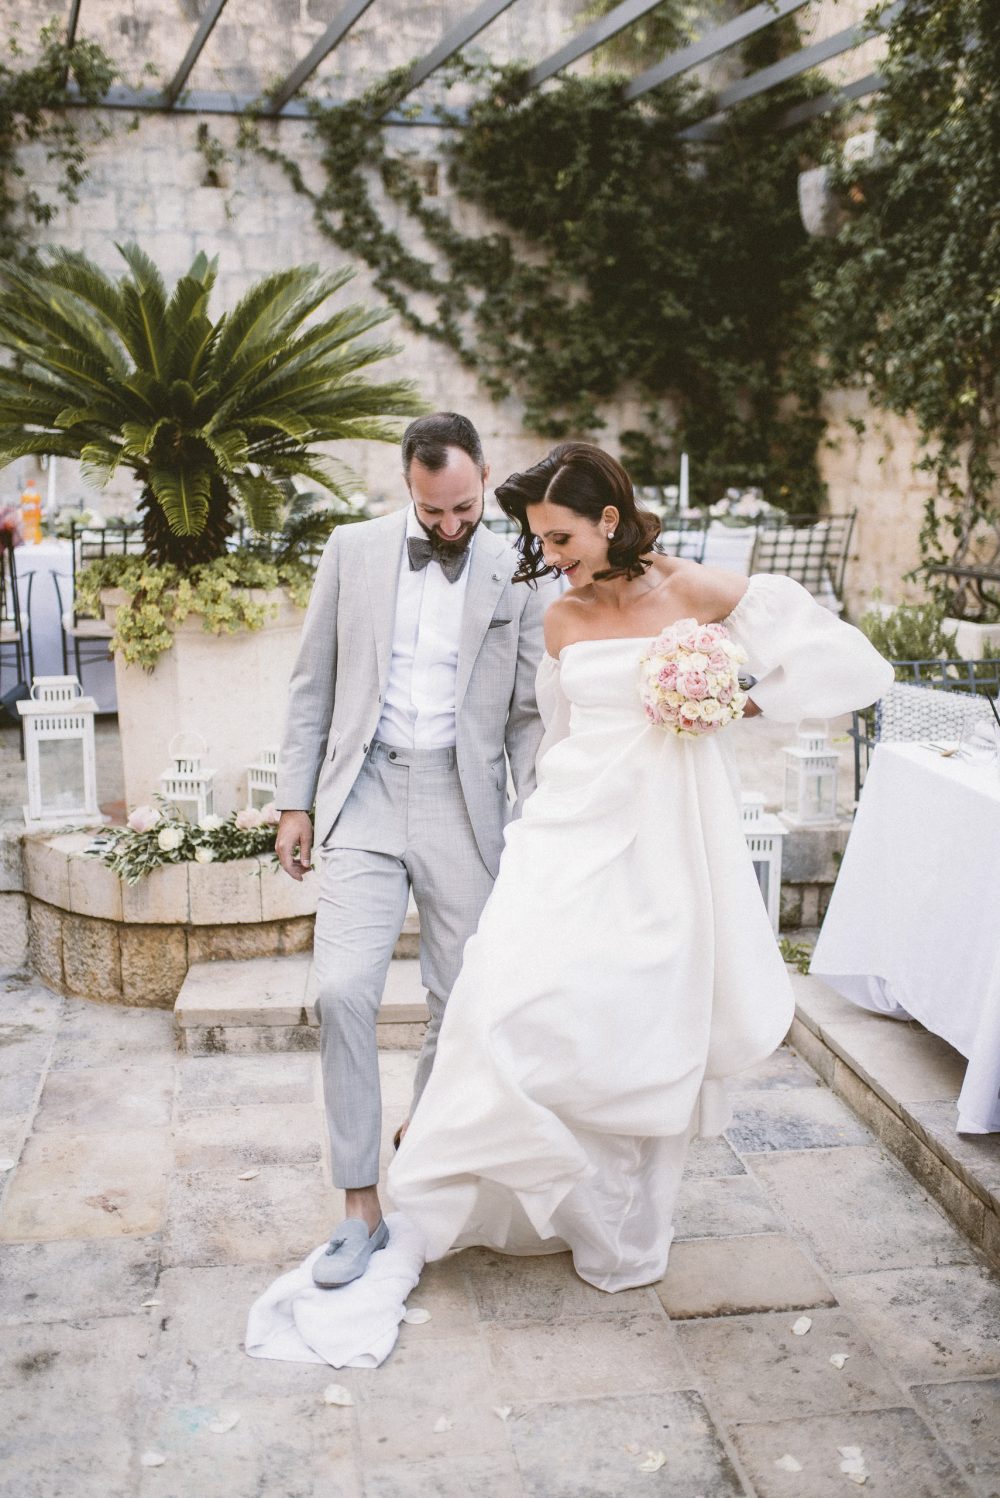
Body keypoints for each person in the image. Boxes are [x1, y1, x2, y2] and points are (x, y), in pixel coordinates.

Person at [387, 442, 894, 1292]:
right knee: (500, 992)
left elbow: (848, 662)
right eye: (540, 543)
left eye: (560, 538)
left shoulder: (697, 591)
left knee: (641, 1021)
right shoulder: (560, 618)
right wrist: (529, 829)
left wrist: (736, 698)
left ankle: (615, 1224)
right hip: (570, 828)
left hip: (666, 837)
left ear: (609, 521)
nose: (550, 559)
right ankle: (471, 1184)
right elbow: (559, 737)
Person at [274, 413, 547, 1289]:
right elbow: (312, 683)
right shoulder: (351, 552)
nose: (451, 526)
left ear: (483, 479)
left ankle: (421, 1142)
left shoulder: (518, 567)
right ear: (407, 485)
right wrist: (293, 801)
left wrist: (539, 817)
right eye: (434, 513)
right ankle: (359, 1206)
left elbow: (530, 716)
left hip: (464, 807)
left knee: (459, 999)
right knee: (344, 988)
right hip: (364, 795)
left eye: (464, 508)